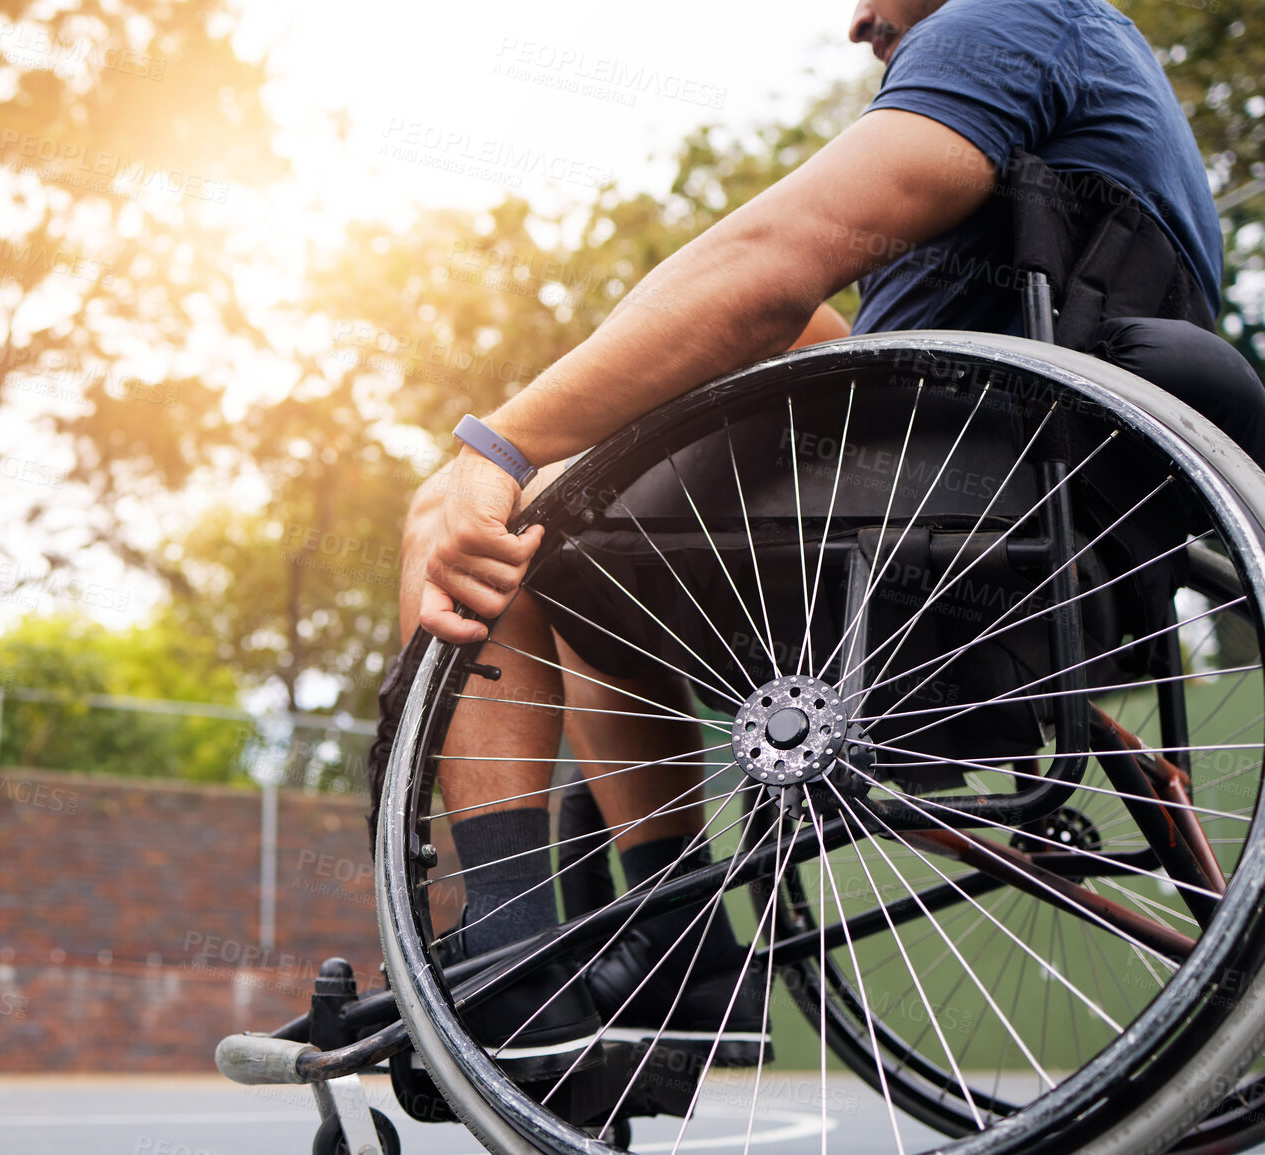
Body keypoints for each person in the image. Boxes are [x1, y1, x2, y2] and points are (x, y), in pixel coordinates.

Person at [371, 0, 1244, 1068]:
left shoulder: (1008, 20)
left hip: (949, 544)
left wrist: (492, 450)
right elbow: (821, 329)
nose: (857, 21)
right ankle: (659, 943)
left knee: (511, 517)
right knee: (616, 484)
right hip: (1050, 560)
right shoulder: (1088, 86)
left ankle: (507, 955)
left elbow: (777, 258)